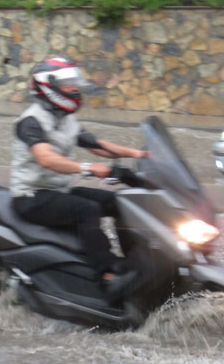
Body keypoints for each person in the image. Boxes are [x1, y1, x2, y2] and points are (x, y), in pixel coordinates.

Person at [10, 57, 147, 303]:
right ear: (47, 86)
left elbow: (98, 146)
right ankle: (106, 275)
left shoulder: (66, 120)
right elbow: (46, 159)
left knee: (119, 201)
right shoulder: (30, 121)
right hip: (31, 196)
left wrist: (139, 154)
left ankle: (133, 261)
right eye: (67, 83)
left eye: (74, 81)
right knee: (88, 210)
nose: (74, 88)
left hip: (57, 191)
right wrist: (87, 168)